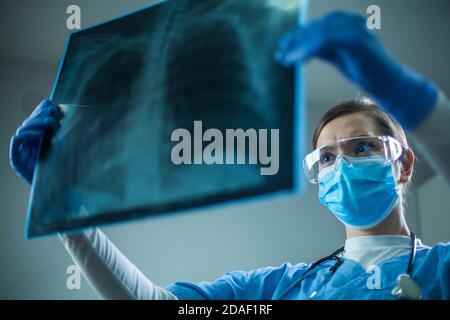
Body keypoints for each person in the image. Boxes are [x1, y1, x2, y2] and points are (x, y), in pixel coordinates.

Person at [9, 12, 450, 299]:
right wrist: (66, 209)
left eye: (363, 147)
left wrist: (403, 93)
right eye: (327, 159)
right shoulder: (281, 288)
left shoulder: (440, 268)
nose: (344, 165)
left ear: (404, 162)